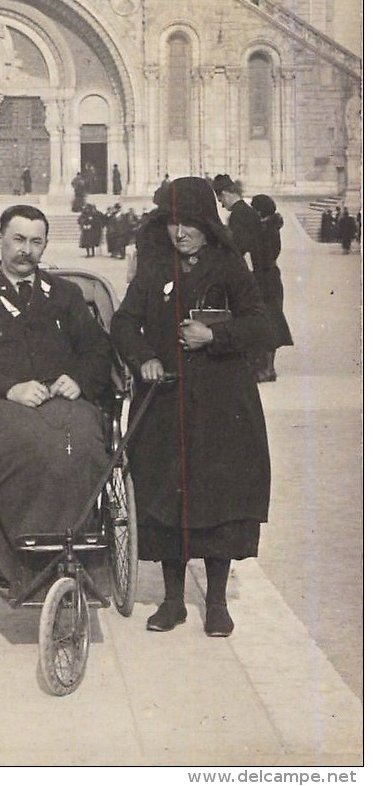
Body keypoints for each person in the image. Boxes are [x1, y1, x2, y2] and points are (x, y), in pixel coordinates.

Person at [111, 177, 271, 638]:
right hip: (164, 403)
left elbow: (261, 324)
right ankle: (173, 600)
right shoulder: (154, 268)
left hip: (222, 406)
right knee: (166, 495)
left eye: (189, 223)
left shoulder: (230, 267)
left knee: (218, 498)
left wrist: (215, 336)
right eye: (172, 222)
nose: (179, 232)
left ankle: (216, 602)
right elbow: (125, 323)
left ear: (206, 222)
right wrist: (144, 358)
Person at [0, 204, 112, 590]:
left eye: (36, 242)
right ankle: (23, 561)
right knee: (32, 448)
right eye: (18, 240)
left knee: (85, 446)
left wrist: (80, 379)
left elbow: (97, 349)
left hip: (64, 403)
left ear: (45, 246)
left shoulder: (65, 295)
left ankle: (81, 555)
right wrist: (10, 388)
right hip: (1, 406)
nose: (26, 250)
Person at [249, 195, 294, 382]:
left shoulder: (265, 230)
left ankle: (267, 369)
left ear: (259, 211)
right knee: (272, 320)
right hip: (273, 278)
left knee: (268, 321)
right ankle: (269, 367)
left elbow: (264, 257)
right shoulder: (272, 228)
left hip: (265, 279)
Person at [212, 175, 264, 286]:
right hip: (259, 270)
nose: (222, 205)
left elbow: (239, 247)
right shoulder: (248, 210)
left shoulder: (237, 214)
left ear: (225, 194)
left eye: (221, 200)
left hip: (250, 274)